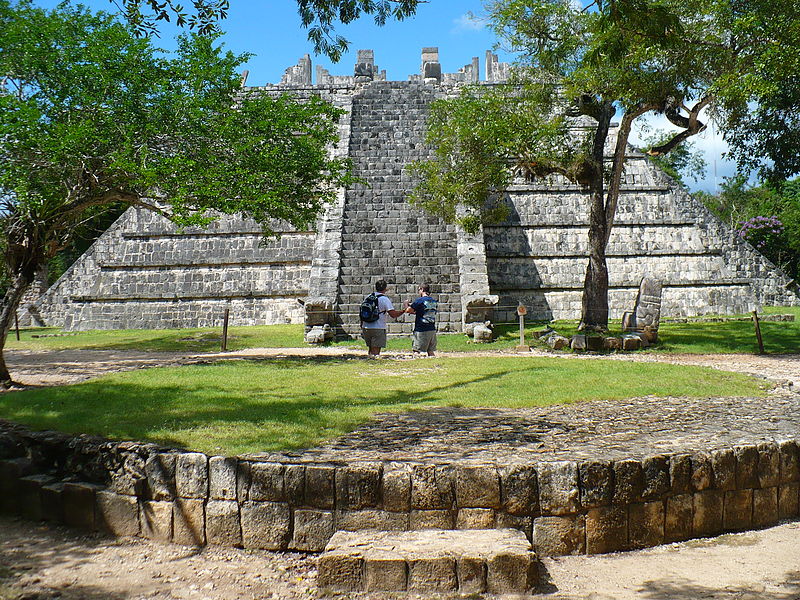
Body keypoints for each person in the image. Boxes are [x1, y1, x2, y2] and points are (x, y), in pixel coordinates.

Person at [361, 279, 404, 357]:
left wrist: (361, 325)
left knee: (370, 349)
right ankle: (374, 366)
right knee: (376, 351)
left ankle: (369, 363)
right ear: (385, 288)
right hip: (378, 327)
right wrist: (403, 311)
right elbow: (393, 314)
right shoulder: (384, 299)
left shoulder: (368, 297)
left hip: (366, 327)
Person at [404, 282, 438, 356]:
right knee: (430, 351)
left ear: (422, 289)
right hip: (432, 329)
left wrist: (406, 304)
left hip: (421, 329)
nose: (419, 292)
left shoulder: (419, 300)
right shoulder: (433, 301)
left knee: (417, 351)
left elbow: (408, 310)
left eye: (419, 289)